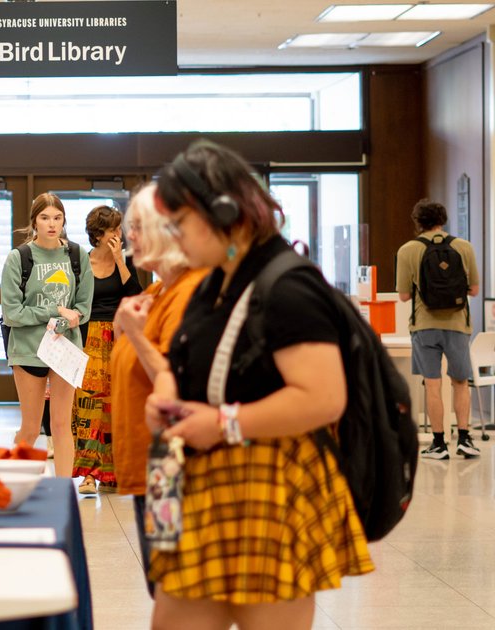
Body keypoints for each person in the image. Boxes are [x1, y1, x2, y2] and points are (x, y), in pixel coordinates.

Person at [144, 140, 373, 628]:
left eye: (178, 222)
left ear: (224, 212)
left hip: (270, 485)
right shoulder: (216, 280)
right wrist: (166, 390)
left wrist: (227, 423)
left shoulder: (288, 285)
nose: (172, 236)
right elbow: (183, 360)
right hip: (209, 480)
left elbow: (324, 397)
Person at [108, 183, 208, 595]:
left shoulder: (189, 293)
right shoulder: (155, 291)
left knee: (174, 588)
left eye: (138, 226)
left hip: (169, 467)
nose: (129, 236)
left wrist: (133, 332)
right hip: (146, 465)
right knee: (163, 584)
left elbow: (174, 380)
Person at [0, 193, 94, 478]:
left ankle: (64, 493)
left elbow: (83, 309)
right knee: (30, 427)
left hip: (64, 349)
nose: (52, 224)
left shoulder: (77, 256)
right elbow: (13, 313)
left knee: (61, 426)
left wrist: (63, 324)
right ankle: (11, 488)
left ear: (64, 221)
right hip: (28, 350)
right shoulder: (20, 258)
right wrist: (55, 312)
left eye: (57, 218)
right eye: (45, 218)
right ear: (34, 222)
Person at [395, 199, 481, 459]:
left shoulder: (408, 250)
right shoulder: (463, 246)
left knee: (433, 385)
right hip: (457, 324)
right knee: (460, 382)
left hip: (424, 326)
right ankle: (464, 439)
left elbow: (403, 296)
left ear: (417, 222)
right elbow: (474, 290)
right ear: (443, 219)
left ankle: (439, 444)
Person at [72, 205, 142, 494]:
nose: (119, 234)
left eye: (119, 228)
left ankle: (112, 473)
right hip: (88, 340)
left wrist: (120, 261)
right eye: (114, 229)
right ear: (99, 235)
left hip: (117, 339)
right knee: (88, 407)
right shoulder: (80, 264)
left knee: (114, 406)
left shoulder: (124, 261)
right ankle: (88, 474)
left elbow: (136, 296)